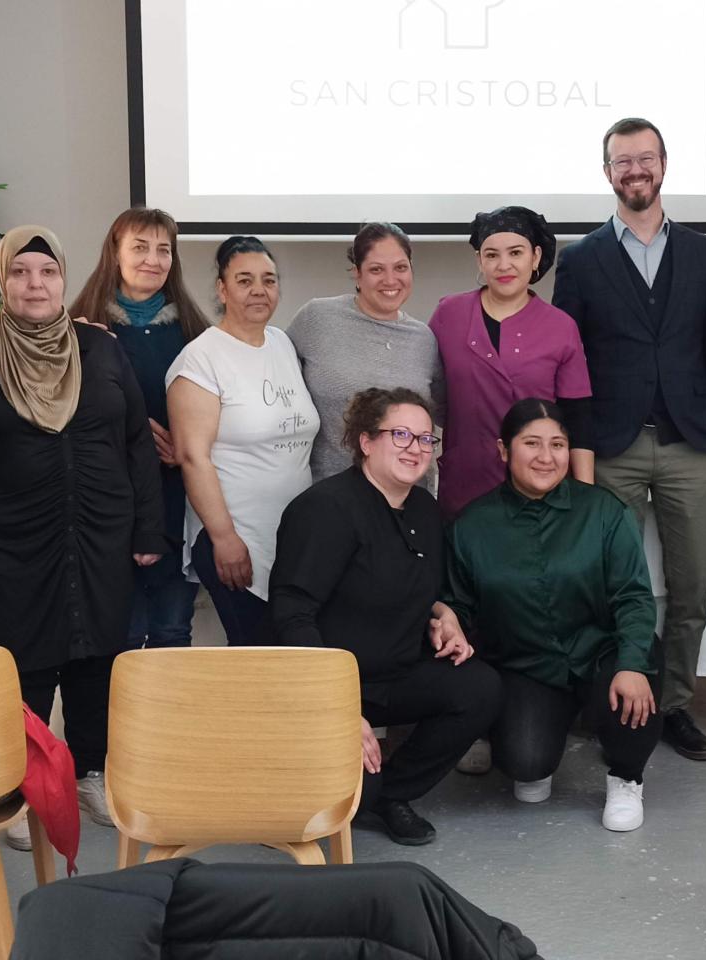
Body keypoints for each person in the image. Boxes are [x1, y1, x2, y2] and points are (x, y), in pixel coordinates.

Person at [0, 225, 163, 827]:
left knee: (97, 655)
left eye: (47, 272)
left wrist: (147, 530)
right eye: (21, 272)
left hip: (101, 531)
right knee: (22, 660)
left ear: (63, 279)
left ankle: (89, 774)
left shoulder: (99, 349)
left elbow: (135, 440)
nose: (35, 284)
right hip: (9, 537)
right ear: (3, 280)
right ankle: (18, 787)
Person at [552, 117, 706, 764]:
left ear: (663, 165)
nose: (635, 170)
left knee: (692, 587)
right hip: (611, 445)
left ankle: (676, 704)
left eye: (646, 159)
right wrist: (574, 448)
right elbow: (566, 360)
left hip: (692, 444)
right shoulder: (579, 260)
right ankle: (611, 701)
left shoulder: (705, 252)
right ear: (607, 173)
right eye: (622, 161)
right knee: (609, 586)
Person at [270, 387, 498, 846]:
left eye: (425, 438)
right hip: (327, 686)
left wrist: (443, 611)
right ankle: (357, 788)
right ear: (365, 442)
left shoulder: (425, 509)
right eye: (400, 435)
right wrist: (339, 708)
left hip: (394, 675)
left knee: (480, 687)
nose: (415, 448)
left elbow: (413, 581)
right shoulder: (325, 509)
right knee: (350, 798)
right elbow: (292, 614)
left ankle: (394, 794)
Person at [445, 398, 660, 832]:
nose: (547, 457)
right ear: (504, 451)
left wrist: (632, 663)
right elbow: (459, 608)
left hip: (601, 653)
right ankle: (535, 743)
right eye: (532, 444)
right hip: (526, 664)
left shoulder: (603, 511)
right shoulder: (472, 525)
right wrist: (447, 619)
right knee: (525, 768)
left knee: (639, 676)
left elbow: (634, 597)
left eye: (558, 444)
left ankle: (626, 776)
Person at [167, 236, 318, 645]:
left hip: (290, 540)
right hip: (235, 541)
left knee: (292, 660)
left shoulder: (282, 343)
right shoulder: (201, 359)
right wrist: (224, 537)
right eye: (244, 280)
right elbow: (193, 457)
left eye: (268, 280)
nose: (259, 290)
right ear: (222, 288)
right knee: (256, 664)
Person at [70, 207, 209, 649]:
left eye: (163, 249)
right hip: (107, 503)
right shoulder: (79, 328)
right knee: (121, 635)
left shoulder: (196, 333)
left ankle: (170, 721)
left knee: (172, 630)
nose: (153, 259)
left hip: (174, 499)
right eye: (140, 247)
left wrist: (185, 446)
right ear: (115, 252)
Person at [430, 206, 593, 522]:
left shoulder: (561, 327)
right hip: (465, 487)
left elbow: (579, 419)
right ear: (480, 261)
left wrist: (585, 499)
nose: (503, 265)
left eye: (515, 253)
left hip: (539, 490)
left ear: (534, 257)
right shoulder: (449, 314)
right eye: (491, 255)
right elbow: (429, 391)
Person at [287, 222, 444, 487]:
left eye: (400, 267)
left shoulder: (424, 339)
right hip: (331, 495)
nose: (390, 280)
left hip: (406, 498)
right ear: (357, 274)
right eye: (376, 270)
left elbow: (439, 414)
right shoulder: (317, 318)